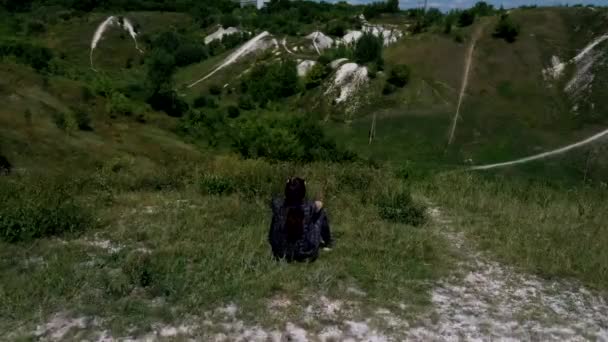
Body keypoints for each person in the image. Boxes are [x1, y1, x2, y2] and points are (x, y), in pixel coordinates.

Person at [268, 177, 332, 262]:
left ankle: (279, 243)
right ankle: (327, 242)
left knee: (276, 217)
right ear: (303, 192)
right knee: (320, 213)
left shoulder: (278, 205)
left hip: (281, 252)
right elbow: (319, 204)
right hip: (306, 252)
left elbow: (274, 201)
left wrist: (289, 184)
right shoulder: (309, 207)